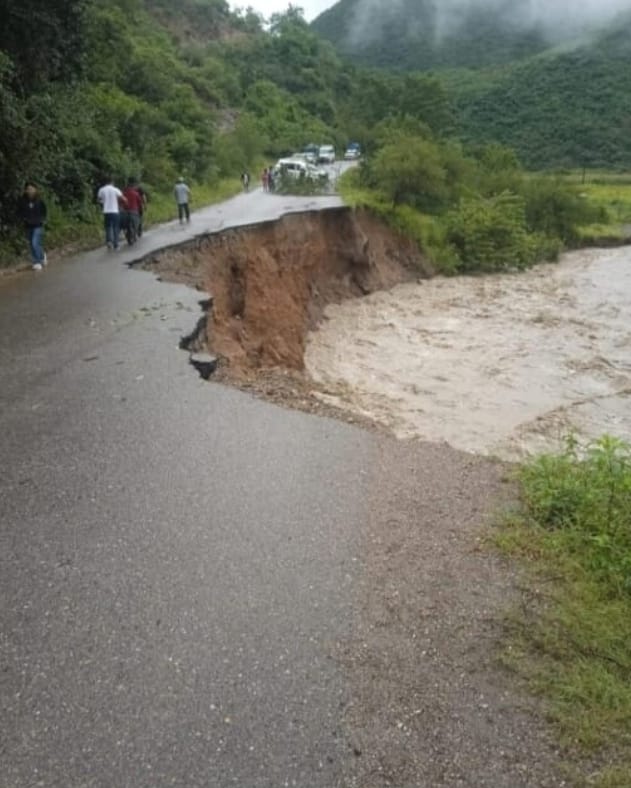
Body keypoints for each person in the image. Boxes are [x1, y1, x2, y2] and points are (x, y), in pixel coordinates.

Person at [18, 182, 47, 271]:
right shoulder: (22, 201)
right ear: (26, 190)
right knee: (32, 244)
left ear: (35, 190)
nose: (30, 191)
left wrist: (42, 220)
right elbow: (19, 212)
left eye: (32, 189)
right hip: (28, 225)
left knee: (35, 242)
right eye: (28, 189)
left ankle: (37, 262)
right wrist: (23, 219)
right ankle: (42, 256)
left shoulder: (39, 201)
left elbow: (44, 211)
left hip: (38, 225)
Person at [97, 177, 126, 250]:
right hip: (115, 211)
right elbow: (123, 198)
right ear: (112, 182)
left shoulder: (101, 190)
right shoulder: (115, 189)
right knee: (116, 228)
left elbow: (99, 200)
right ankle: (116, 245)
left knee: (108, 227)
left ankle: (109, 241)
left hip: (106, 212)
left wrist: (103, 203)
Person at [122, 178, 142, 245]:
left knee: (125, 225)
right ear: (132, 186)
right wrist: (140, 210)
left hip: (125, 211)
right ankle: (134, 235)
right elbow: (139, 202)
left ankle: (128, 235)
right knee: (136, 223)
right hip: (134, 211)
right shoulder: (135, 193)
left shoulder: (123, 193)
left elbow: (120, 202)